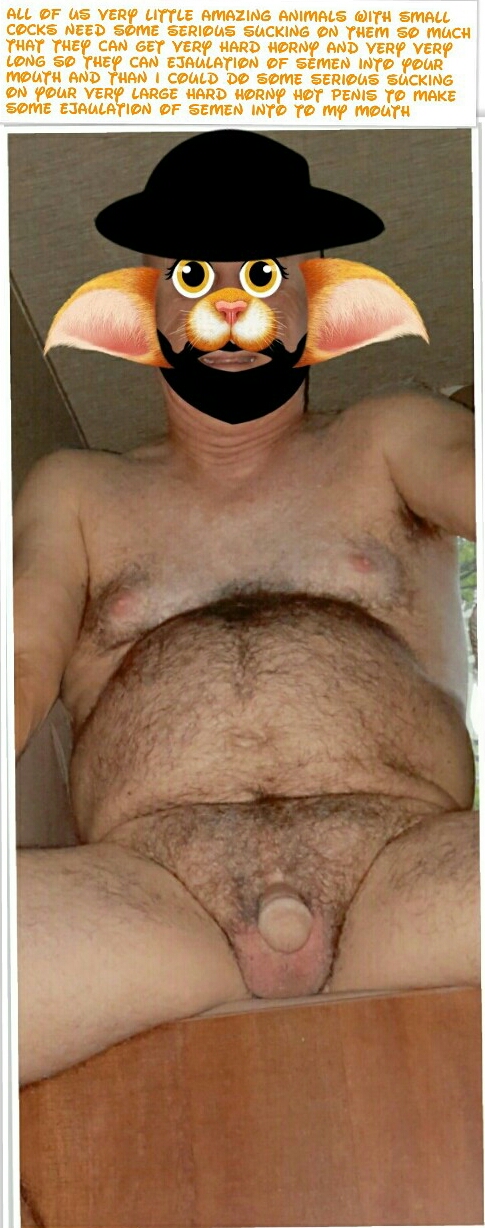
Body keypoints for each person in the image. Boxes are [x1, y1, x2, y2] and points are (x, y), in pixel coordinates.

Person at [15, 130, 478, 1086]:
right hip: (150, 907)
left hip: (411, 877)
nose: (230, 306)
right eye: (192, 275)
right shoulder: (75, 491)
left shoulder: (388, 438)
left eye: (265, 272)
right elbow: (15, 663)